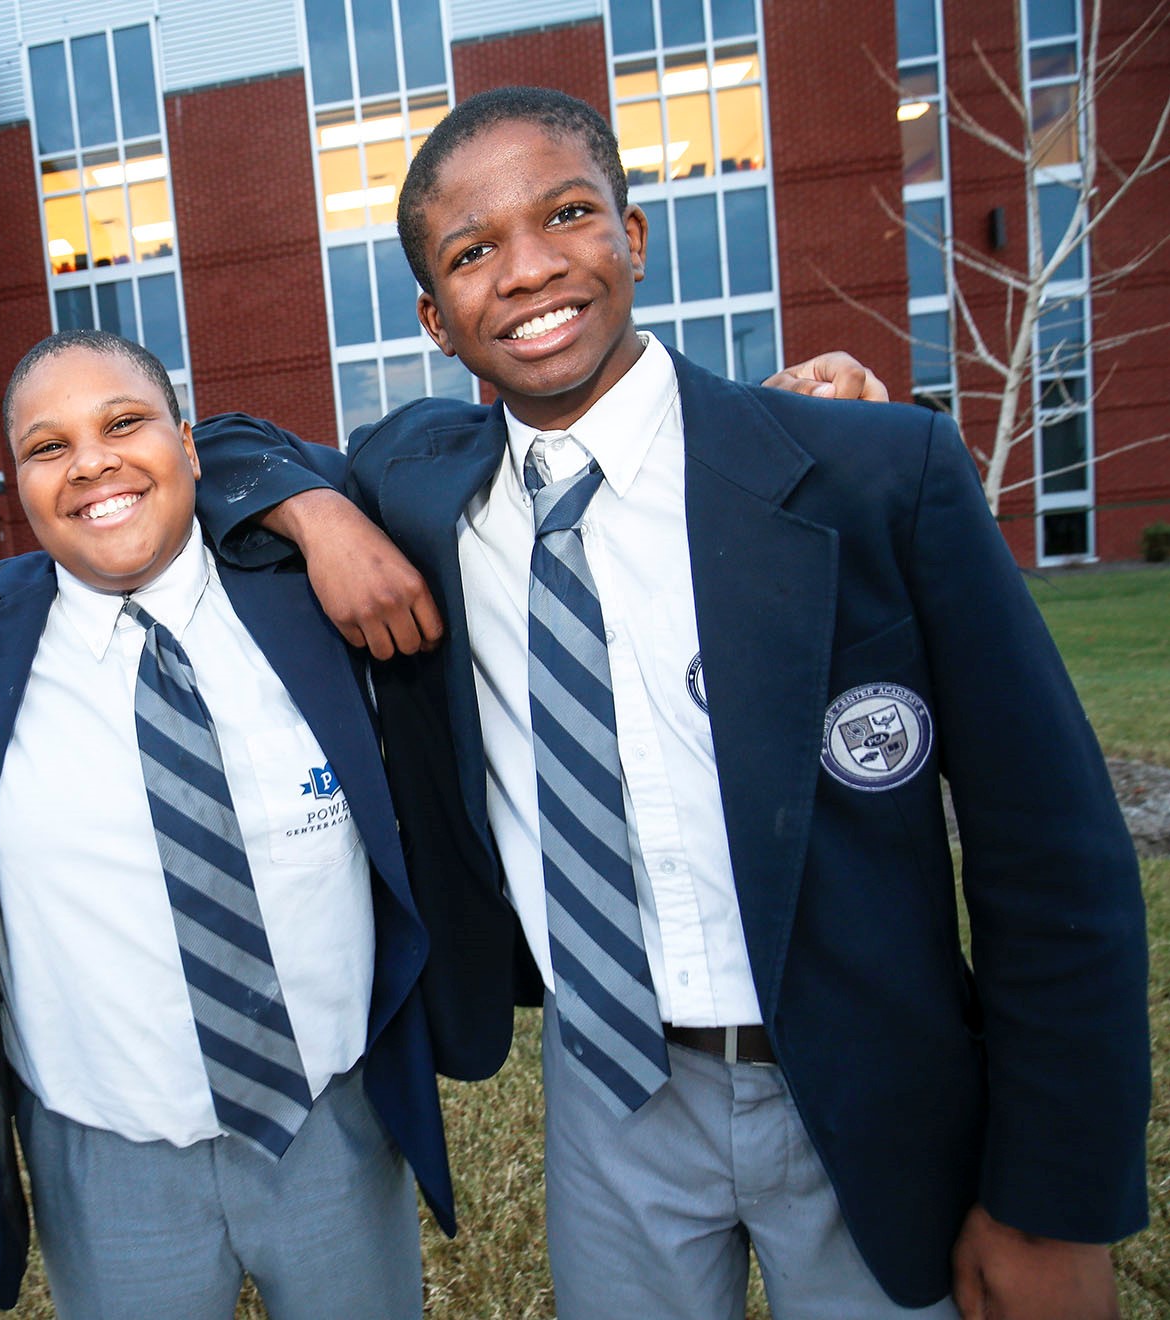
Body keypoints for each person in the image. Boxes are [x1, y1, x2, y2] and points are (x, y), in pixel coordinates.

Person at [188, 87, 1148, 1319]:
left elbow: (1052, 859)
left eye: (568, 214)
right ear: (435, 317)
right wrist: (320, 515)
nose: (529, 271)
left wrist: (1055, 1204)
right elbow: (218, 447)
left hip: (864, 1075)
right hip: (611, 1091)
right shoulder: (419, 483)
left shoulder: (867, 470)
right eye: (473, 253)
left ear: (633, 240)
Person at [0, 329, 453, 1317]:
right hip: (104, 1157)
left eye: (123, 423)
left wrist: (313, 511)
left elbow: (378, 454)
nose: (92, 462)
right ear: (15, 484)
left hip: (334, 1119)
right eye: (47, 447)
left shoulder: (312, 596)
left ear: (189, 446)